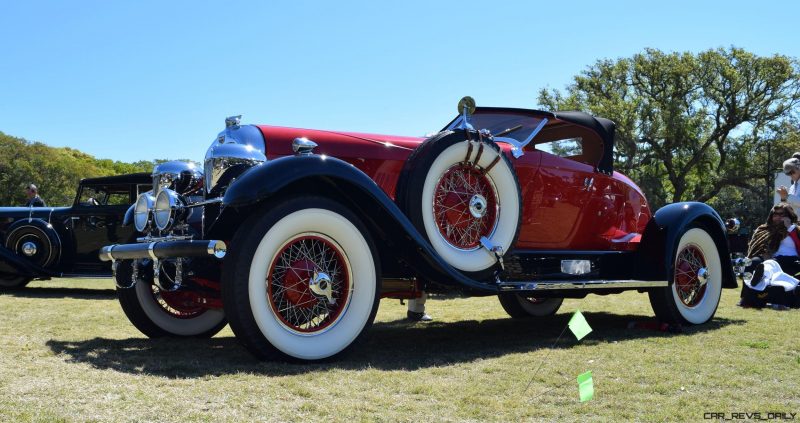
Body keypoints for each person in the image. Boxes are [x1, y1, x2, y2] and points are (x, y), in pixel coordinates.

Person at [741, 202, 800, 308]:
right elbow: (760, 247)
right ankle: (746, 298)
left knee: (771, 265)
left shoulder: (795, 229)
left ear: (788, 215)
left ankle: (759, 278)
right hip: (774, 258)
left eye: (782, 214)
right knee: (752, 262)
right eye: (775, 214)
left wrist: (789, 227)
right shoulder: (765, 229)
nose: (778, 217)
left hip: (793, 260)